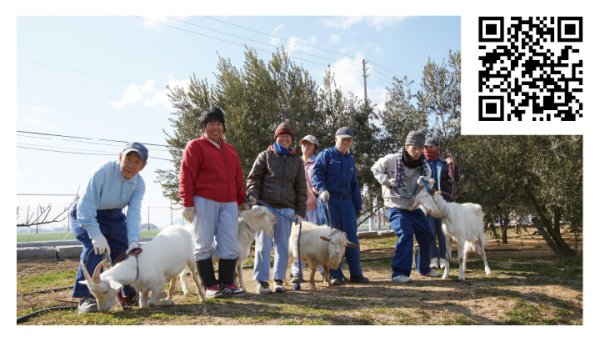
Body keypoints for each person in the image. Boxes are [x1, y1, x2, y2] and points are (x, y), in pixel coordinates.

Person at [70, 141, 148, 313]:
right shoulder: (102, 173)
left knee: (125, 251)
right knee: (95, 249)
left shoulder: (139, 184)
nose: (131, 165)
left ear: (142, 166)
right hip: (87, 214)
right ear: (120, 157)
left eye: (137, 162)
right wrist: (95, 234)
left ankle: (127, 293)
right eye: (128, 159)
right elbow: (85, 207)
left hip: (114, 216)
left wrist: (133, 240)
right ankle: (87, 297)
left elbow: (134, 213)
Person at [179, 107, 247, 298]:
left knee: (229, 242)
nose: (216, 128)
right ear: (204, 127)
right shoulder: (195, 146)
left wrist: (241, 198)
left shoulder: (230, 149)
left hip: (229, 202)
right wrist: (187, 202)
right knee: (203, 243)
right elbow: (186, 175)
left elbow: (237, 176)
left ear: (224, 127)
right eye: (211, 124)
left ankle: (227, 283)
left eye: (219, 124)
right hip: (204, 200)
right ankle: (210, 285)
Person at [371, 130, 440, 283]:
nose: (417, 151)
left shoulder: (425, 167)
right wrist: (387, 181)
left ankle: (424, 269)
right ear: (406, 146)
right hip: (395, 206)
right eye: (413, 147)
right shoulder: (391, 160)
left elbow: (427, 186)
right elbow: (375, 169)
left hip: (413, 207)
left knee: (427, 236)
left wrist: (424, 185)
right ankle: (399, 274)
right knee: (406, 234)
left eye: (420, 148)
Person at [247, 122, 307, 294]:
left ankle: (279, 279)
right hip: (266, 207)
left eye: (288, 136)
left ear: (291, 140)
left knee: (282, 246)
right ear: (276, 138)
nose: (285, 139)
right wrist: (254, 198)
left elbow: (301, 188)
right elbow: (254, 179)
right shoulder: (265, 156)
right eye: (281, 136)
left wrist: (300, 212)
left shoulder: (297, 161)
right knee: (263, 244)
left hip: (287, 209)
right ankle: (261, 280)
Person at [312, 127, 369, 285]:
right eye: (343, 139)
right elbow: (316, 174)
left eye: (349, 140)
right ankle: (334, 274)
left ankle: (356, 274)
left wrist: (358, 206)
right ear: (335, 139)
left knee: (351, 238)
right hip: (328, 200)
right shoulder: (326, 155)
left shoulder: (350, 160)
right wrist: (322, 189)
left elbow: (354, 184)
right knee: (332, 238)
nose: (346, 143)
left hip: (346, 203)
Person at [290, 134, 322, 284]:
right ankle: (297, 272)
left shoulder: (318, 162)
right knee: (298, 240)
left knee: (318, 240)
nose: (305, 146)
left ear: (315, 147)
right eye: (303, 144)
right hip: (299, 208)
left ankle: (322, 271)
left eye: (309, 144)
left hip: (315, 206)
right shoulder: (295, 162)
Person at [423, 137, 460, 269]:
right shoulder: (421, 163)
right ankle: (433, 259)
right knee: (431, 231)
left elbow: (455, 179)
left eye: (431, 147)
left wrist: (453, 166)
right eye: (426, 147)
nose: (428, 150)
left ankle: (444, 259)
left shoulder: (443, 163)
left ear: (437, 148)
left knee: (443, 231)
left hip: (444, 201)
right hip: (428, 202)